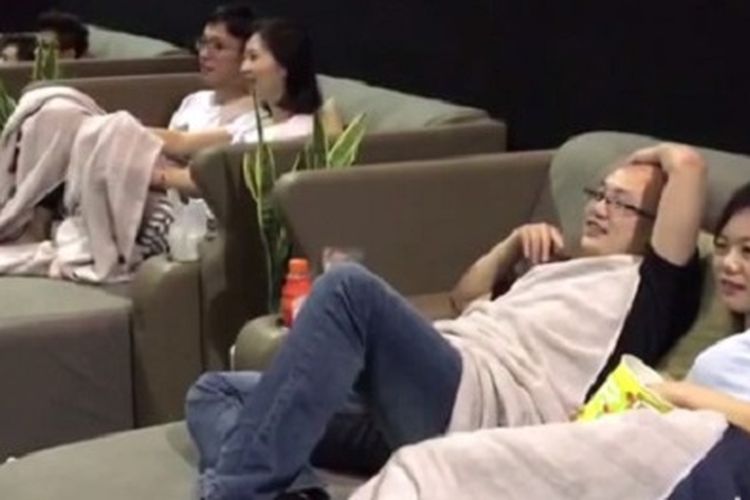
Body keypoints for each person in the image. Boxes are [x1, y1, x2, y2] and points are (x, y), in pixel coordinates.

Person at [185, 143, 707, 499]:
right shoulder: (557, 267)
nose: (600, 209)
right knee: (216, 391)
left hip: (483, 413)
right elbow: (463, 299)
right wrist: (509, 250)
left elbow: (689, 165)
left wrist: (644, 158)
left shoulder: (650, 287)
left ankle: (236, 493)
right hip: (431, 390)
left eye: (623, 204)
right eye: (600, 194)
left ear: (657, 226)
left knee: (347, 289)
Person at [149, 17, 323, 193]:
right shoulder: (256, 122)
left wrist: (161, 175)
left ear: (284, 66)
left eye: (253, 57)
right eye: (245, 58)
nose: (244, 68)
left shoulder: (300, 133)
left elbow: (215, 184)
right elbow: (184, 142)